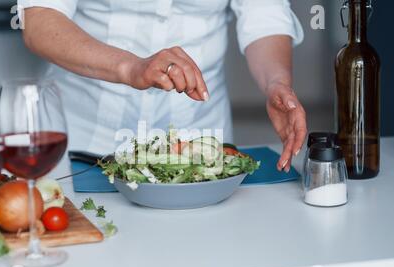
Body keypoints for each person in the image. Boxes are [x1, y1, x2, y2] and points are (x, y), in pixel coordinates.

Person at [19, 0, 307, 172]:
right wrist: (131, 67)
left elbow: (264, 15)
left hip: (201, 148)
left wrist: (276, 83)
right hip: (84, 143)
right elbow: (41, 20)